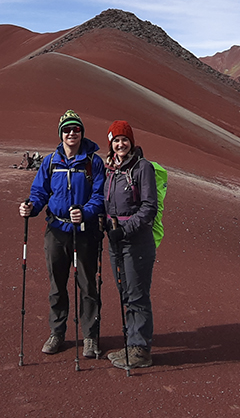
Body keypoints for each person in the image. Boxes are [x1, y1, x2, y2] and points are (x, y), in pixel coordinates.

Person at [19, 110, 106, 358]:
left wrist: (86, 212)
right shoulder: (50, 161)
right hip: (56, 231)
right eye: (67, 130)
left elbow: (99, 196)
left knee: (88, 286)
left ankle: (90, 337)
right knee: (57, 286)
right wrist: (31, 207)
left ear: (81, 133)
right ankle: (57, 332)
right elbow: (40, 192)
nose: (71, 133)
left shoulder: (93, 162)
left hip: (85, 232)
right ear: (61, 134)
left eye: (76, 129)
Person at [103, 120, 157, 369]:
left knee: (137, 295)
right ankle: (131, 344)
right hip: (116, 240)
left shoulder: (142, 167)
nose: (120, 144)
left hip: (136, 241)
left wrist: (124, 229)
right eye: (116, 140)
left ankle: (140, 350)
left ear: (131, 142)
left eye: (124, 139)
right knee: (125, 292)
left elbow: (148, 208)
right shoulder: (111, 169)